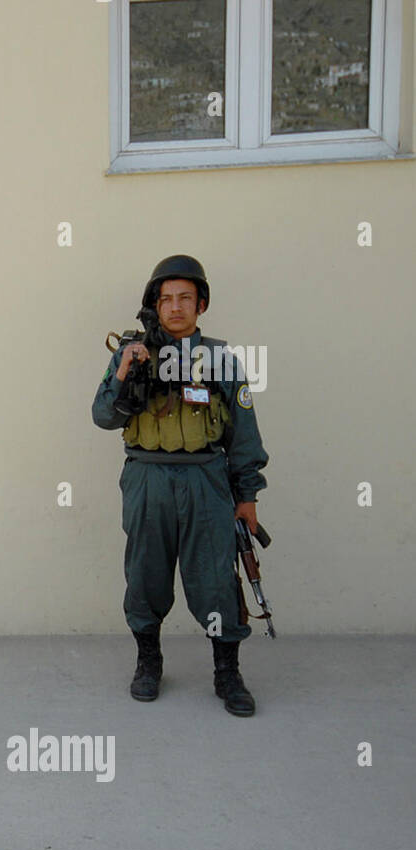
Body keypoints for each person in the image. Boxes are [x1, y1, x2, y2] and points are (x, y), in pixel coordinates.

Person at [92, 255, 268, 717]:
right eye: (166, 298)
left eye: (185, 298)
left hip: (207, 479)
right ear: (154, 304)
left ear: (201, 304)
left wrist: (246, 497)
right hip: (147, 478)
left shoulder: (222, 362)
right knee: (146, 574)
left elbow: (244, 435)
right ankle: (148, 662)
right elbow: (103, 417)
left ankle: (227, 671)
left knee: (214, 579)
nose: (175, 307)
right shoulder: (130, 354)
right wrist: (127, 370)